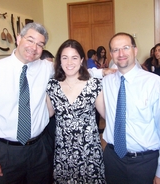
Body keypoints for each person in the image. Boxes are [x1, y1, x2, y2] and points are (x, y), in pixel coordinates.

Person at [0, 22, 111, 184]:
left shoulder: (45, 68)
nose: (34, 47)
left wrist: (105, 71)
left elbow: (72, 69)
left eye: (40, 44)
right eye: (30, 40)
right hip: (6, 151)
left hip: (40, 149)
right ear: (18, 39)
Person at [102, 32, 160, 184]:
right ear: (111, 54)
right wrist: (101, 71)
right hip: (112, 159)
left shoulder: (154, 83)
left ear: (135, 50)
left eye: (125, 47)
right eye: (116, 49)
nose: (121, 53)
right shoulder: (107, 82)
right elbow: (77, 72)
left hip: (144, 162)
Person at [46, 39, 106, 183]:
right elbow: (47, 114)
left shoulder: (94, 85)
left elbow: (107, 115)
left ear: (81, 60)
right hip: (63, 153)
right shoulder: (52, 86)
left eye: (74, 57)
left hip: (89, 152)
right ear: (59, 61)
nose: (69, 62)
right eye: (64, 58)